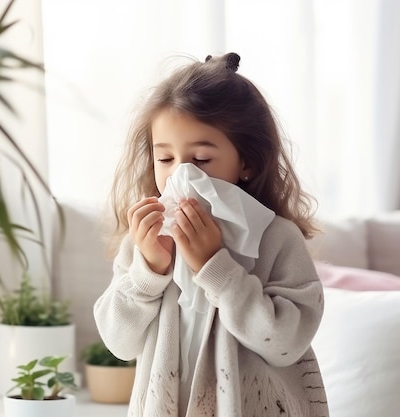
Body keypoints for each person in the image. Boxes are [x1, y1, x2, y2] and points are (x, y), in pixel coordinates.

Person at [93, 53, 328, 417]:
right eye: (166, 160)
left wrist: (216, 267)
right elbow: (119, 343)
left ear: (247, 162)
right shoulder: (145, 242)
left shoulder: (276, 239)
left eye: (201, 160)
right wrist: (148, 272)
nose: (182, 176)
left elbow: (285, 342)